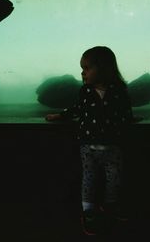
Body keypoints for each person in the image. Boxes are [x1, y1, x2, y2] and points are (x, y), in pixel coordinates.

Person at [45, 46, 133, 235]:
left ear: (103, 69)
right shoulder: (85, 91)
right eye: (82, 68)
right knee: (89, 180)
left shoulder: (119, 90)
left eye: (87, 68)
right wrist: (60, 116)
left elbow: (125, 112)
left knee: (114, 180)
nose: (82, 72)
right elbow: (76, 109)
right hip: (88, 146)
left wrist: (129, 121)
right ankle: (88, 211)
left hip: (113, 147)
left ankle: (111, 206)